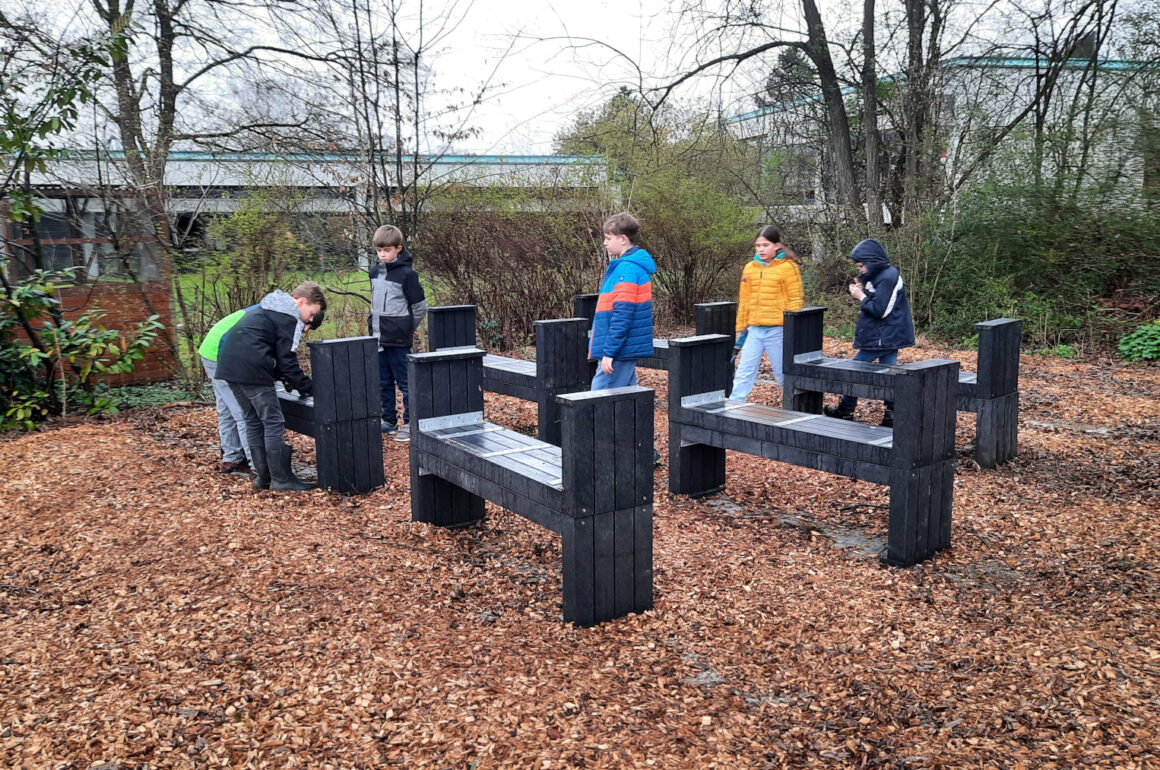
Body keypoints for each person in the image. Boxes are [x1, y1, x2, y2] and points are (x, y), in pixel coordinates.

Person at [216, 282, 327, 492]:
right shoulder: (290, 316)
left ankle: (263, 478)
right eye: (312, 313)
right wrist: (310, 387)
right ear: (301, 302)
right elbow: (287, 360)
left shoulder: (267, 308)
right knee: (273, 421)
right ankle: (281, 479)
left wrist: (286, 378)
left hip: (229, 367)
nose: (310, 319)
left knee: (252, 421)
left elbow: (267, 348)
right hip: (252, 371)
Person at [822, 238, 915, 428]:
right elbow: (878, 297)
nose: (861, 270)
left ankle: (846, 408)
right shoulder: (881, 275)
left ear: (871, 262)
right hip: (887, 335)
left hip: (884, 335)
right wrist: (863, 287)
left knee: (855, 369)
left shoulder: (889, 277)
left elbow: (881, 310)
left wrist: (861, 296)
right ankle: (891, 414)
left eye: (861, 266)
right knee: (889, 374)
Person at [728, 225, 804, 401]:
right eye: (758, 245)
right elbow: (744, 300)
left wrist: (790, 327)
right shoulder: (750, 268)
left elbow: (795, 299)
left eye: (765, 245)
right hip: (754, 329)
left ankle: (795, 408)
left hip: (777, 329)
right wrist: (740, 328)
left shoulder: (788, 267)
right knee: (744, 372)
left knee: (782, 373)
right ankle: (734, 408)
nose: (761, 249)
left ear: (776, 245)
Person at [368, 224, 427, 443]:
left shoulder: (407, 275)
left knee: (405, 382)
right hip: (378, 338)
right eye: (379, 250)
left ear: (398, 249)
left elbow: (420, 306)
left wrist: (408, 327)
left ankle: (411, 424)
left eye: (387, 250)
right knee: (383, 382)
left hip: (399, 339)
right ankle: (389, 420)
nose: (382, 254)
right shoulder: (374, 272)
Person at [588, 212, 657, 390]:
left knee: (598, 401)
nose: (605, 243)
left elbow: (622, 315)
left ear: (623, 239)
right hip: (622, 349)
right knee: (625, 402)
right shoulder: (627, 267)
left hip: (619, 351)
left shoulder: (626, 270)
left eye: (608, 238)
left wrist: (609, 352)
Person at [198, 308, 252, 475]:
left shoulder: (266, 310)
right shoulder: (273, 317)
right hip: (219, 354)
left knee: (227, 409)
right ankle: (257, 466)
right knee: (243, 412)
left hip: (210, 350)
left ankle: (231, 459)